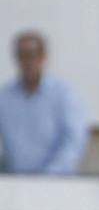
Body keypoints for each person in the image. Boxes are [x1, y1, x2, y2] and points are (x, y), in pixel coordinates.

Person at [0, 31, 89, 174]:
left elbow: (73, 140)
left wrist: (49, 174)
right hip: (12, 183)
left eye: (32, 55)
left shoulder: (63, 95)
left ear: (43, 57)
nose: (27, 61)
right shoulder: (4, 97)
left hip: (54, 183)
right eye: (22, 55)